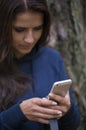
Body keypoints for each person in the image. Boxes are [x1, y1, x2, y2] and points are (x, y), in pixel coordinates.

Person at [0, 0, 80, 130]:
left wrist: (66, 111)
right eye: (20, 30)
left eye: (37, 28)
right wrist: (19, 113)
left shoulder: (51, 59)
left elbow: (73, 125)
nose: (30, 39)